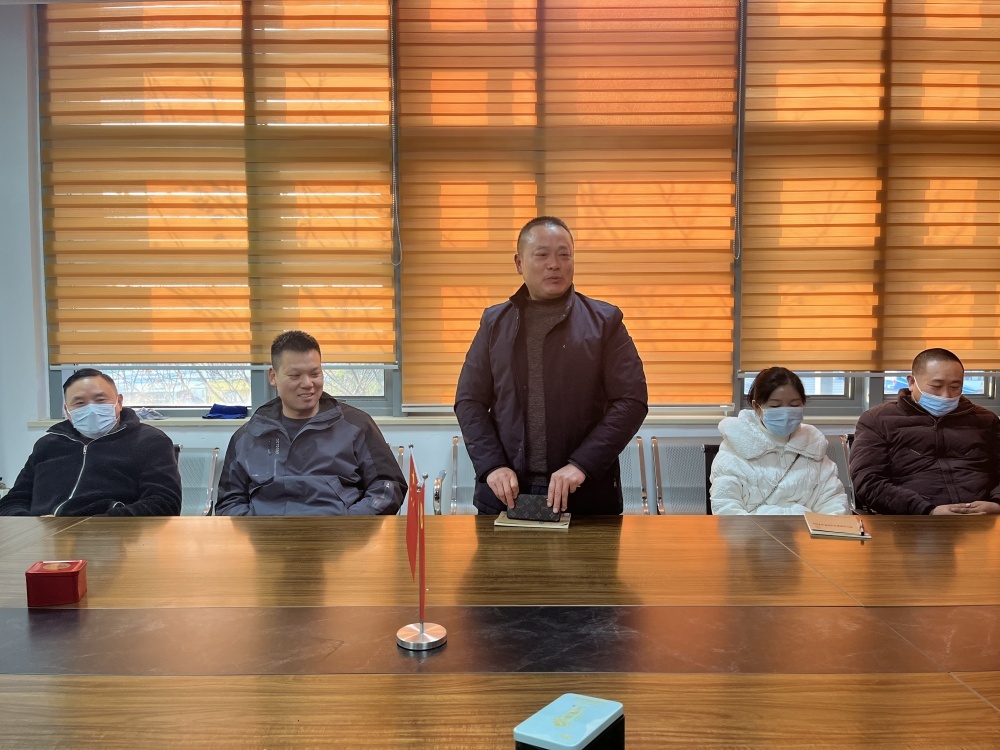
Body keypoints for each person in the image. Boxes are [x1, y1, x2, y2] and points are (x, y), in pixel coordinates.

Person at [454, 216, 648, 516]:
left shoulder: (604, 322)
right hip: (506, 494)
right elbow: (470, 401)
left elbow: (631, 401)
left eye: (564, 254)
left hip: (584, 492)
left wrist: (582, 464)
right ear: (519, 263)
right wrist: (492, 466)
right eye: (542, 254)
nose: (554, 264)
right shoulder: (494, 323)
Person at [216, 330, 406, 516]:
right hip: (267, 533)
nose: (307, 383)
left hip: (339, 532)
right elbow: (229, 502)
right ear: (273, 377)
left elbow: (387, 487)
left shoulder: (358, 426)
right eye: (295, 375)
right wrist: (257, 529)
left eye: (315, 374)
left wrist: (349, 522)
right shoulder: (249, 435)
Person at [0, 368, 181, 516]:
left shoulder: (150, 441)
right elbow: (13, 501)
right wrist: (29, 526)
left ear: (119, 402)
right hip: (42, 538)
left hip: (112, 538)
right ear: (67, 411)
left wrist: (92, 525)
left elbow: (164, 502)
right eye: (79, 403)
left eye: (100, 400)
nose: (91, 409)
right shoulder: (47, 445)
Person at [851, 348, 1000, 515]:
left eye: (955, 386)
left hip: (984, 518)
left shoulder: (986, 420)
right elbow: (868, 482)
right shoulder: (877, 420)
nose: (946, 395)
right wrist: (927, 510)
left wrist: (996, 505)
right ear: (911, 382)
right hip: (912, 519)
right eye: (936, 386)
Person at [710, 367, 850, 515]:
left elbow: (833, 502)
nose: (786, 413)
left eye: (794, 405)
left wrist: (820, 527)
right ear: (756, 407)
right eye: (775, 406)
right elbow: (725, 507)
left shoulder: (813, 447)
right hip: (752, 530)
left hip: (807, 530)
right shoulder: (734, 449)